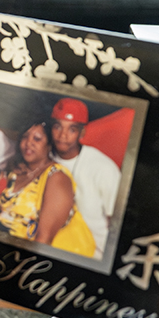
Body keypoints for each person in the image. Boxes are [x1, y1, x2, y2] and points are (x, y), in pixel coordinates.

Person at [0, 119, 95, 257]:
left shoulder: (57, 177)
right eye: (25, 137)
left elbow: (43, 240)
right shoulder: (17, 171)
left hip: (34, 260)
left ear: (49, 145)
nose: (29, 143)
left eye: (37, 139)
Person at [50, 98, 122, 259]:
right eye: (57, 127)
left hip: (95, 255)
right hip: (55, 248)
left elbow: (119, 224)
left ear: (82, 132)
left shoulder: (103, 168)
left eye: (72, 129)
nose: (62, 135)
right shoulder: (43, 157)